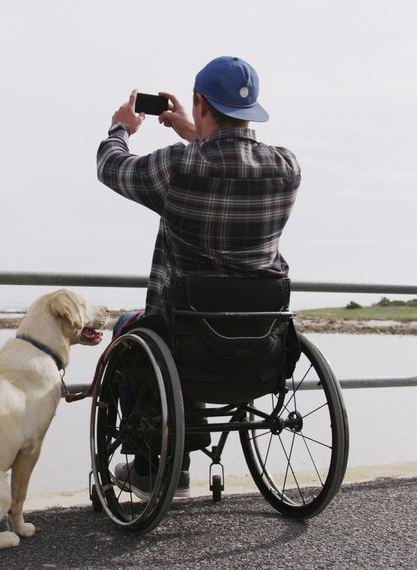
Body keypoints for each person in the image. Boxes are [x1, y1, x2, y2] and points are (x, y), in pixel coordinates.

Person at [96, 56, 301, 499]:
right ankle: (179, 453)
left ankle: (155, 465)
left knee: (130, 328)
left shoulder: (177, 168)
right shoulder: (287, 169)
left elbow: (111, 167)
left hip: (186, 339)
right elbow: (235, 161)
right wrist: (197, 131)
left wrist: (122, 129)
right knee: (185, 326)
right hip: (261, 337)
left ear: (199, 102)